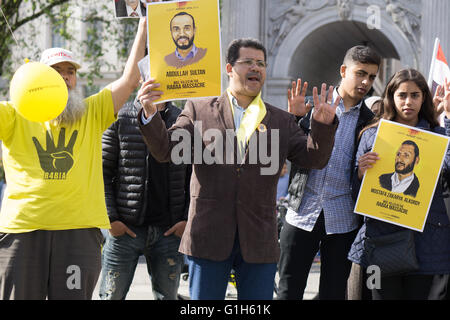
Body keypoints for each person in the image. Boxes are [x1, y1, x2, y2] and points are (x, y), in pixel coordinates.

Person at [136, 38, 340, 300]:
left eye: (261, 63)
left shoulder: (280, 119)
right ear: (229, 68)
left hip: (259, 240)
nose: (256, 68)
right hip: (208, 236)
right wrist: (150, 113)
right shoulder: (198, 110)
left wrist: (323, 127)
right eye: (248, 62)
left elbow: (314, 159)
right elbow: (165, 151)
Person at [0, 18, 148, 300]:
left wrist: (143, 25)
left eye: (70, 72)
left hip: (78, 234)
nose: (66, 77)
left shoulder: (90, 112)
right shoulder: (13, 114)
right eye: (56, 71)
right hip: (23, 231)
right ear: (39, 79)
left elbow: (130, 81)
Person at [278, 45, 381, 300]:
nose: (366, 82)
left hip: (344, 219)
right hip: (301, 211)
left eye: (372, 77)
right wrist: (294, 119)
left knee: (334, 294)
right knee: (288, 291)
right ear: (344, 70)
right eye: (360, 73)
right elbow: (283, 154)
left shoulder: (373, 122)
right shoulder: (311, 108)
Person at [348, 69, 450, 300]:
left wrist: (449, 121)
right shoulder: (371, 136)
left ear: (423, 98)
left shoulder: (439, 135)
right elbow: (355, 196)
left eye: (415, 95)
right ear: (391, 97)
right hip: (380, 242)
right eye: (402, 95)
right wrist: (361, 174)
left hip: (428, 245)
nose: (408, 102)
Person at [98, 93, 191, 300]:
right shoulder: (120, 116)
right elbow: (101, 172)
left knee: (168, 297)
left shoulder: (183, 119)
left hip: (169, 231)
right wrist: (111, 219)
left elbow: (194, 175)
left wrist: (186, 219)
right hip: (124, 230)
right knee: (110, 297)